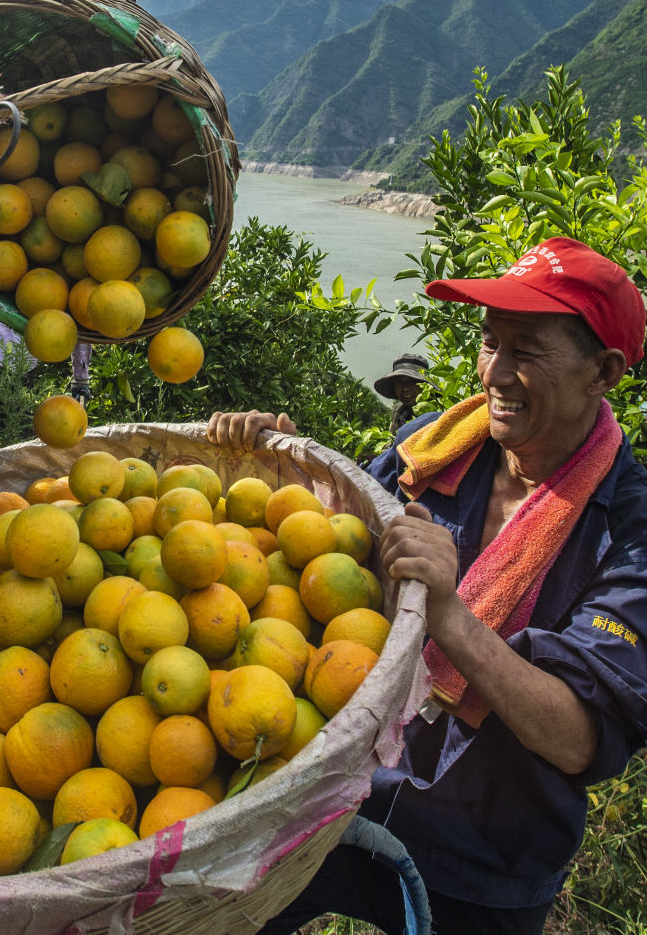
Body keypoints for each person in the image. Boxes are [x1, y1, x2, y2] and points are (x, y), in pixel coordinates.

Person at [208, 237, 647, 934]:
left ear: (604, 371)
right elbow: (333, 555)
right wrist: (281, 475)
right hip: (340, 797)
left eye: (526, 350)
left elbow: (578, 739)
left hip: (485, 856)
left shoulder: (629, 530)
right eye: (489, 341)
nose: (495, 372)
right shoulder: (433, 449)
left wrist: (452, 614)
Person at [375, 351, 428, 434]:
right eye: (399, 383)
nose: (405, 389)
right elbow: (394, 442)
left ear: (424, 385)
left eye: (411, 382)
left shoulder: (439, 412)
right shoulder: (399, 411)